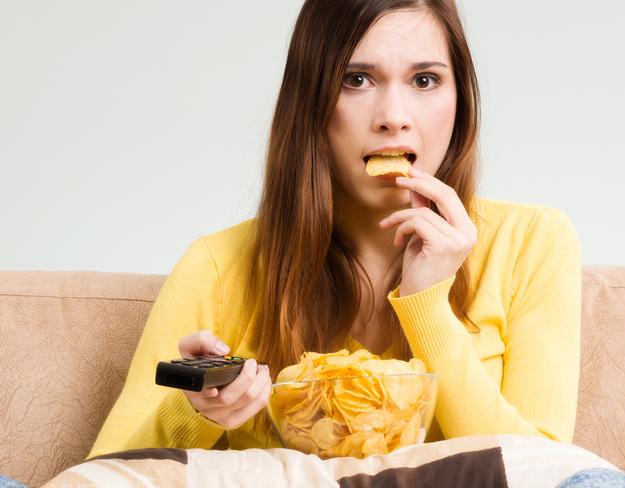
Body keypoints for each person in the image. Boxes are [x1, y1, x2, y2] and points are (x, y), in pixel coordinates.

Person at [88, 0, 585, 464]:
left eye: (426, 80)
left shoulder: (532, 241)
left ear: (460, 101)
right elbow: (100, 477)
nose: (394, 118)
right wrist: (194, 412)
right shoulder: (217, 264)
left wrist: (428, 304)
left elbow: (544, 471)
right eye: (357, 79)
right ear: (312, 102)